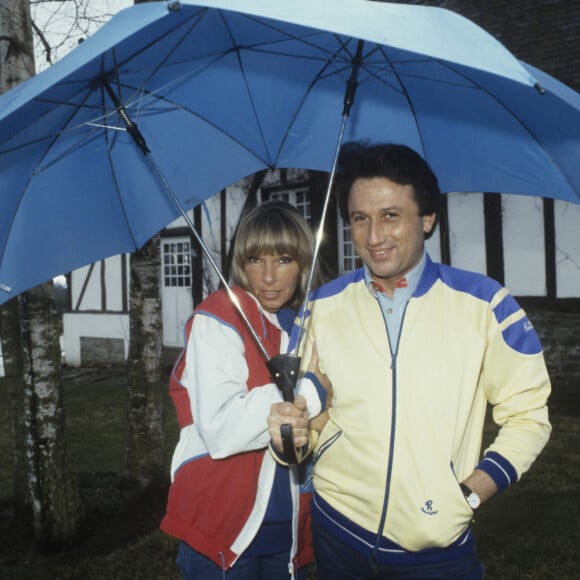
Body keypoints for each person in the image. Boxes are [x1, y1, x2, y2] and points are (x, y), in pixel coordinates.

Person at [268, 142, 552, 579]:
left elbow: (529, 416)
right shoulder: (322, 305)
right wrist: (289, 437)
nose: (373, 236)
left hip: (436, 551)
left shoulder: (485, 304)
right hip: (337, 533)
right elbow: (303, 426)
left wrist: (469, 495)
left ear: (428, 218)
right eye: (360, 218)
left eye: (391, 216)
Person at [160, 201, 325, 579]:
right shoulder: (218, 316)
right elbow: (220, 428)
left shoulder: (305, 324)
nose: (268, 277)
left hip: (291, 535)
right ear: (241, 263)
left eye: (283, 259)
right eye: (255, 260)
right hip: (222, 529)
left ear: (302, 262)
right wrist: (312, 389)